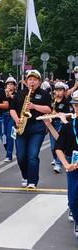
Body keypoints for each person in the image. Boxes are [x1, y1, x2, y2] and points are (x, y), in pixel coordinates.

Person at [10, 69, 51, 189]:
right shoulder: (20, 93)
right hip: (21, 126)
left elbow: (49, 109)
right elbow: (12, 109)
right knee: (21, 155)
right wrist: (17, 119)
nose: (32, 82)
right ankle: (26, 176)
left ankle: (32, 181)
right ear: (26, 81)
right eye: (30, 79)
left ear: (39, 81)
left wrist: (34, 106)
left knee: (32, 155)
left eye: (34, 80)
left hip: (37, 127)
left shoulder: (44, 94)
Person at [54, 90, 78, 240]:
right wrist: (66, 164)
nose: (77, 108)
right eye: (76, 105)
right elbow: (59, 147)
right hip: (73, 168)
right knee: (73, 200)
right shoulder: (69, 126)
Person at [49, 82, 72, 173]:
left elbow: (68, 115)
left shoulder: (66, 102)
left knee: (59, 144)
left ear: (64, 92)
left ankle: (58, 164)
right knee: (52, 145)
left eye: (60, 90)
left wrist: (59, 115)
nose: (58, 92)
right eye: (57, 90)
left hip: (61, 124)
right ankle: (55, 159)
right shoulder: (52, 101)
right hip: (52, 123)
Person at [2, 76, 17, 162]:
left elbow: (16, 100)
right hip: (4, 115)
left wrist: (10, 95)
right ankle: (8, 150)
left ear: (15, 86)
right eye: (8, 84)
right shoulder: (3, 93)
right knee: (3, 135)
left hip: (12, 116)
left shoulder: (17, 94)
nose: (10, 86)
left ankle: (9, 155)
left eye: (11, 84)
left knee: (10, 135)